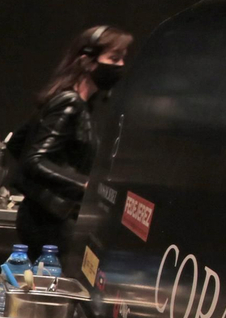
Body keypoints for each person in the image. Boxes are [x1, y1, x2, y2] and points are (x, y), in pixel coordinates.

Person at [9, 24, 133, 255]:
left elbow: (17, 142)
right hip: (49, 221)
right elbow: (34, 159)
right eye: (114, 58)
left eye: (122, 59)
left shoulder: (75, 102)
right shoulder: (70, 102)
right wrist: (84, 185)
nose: (121, 66)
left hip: (46, 216)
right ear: (87, 61)